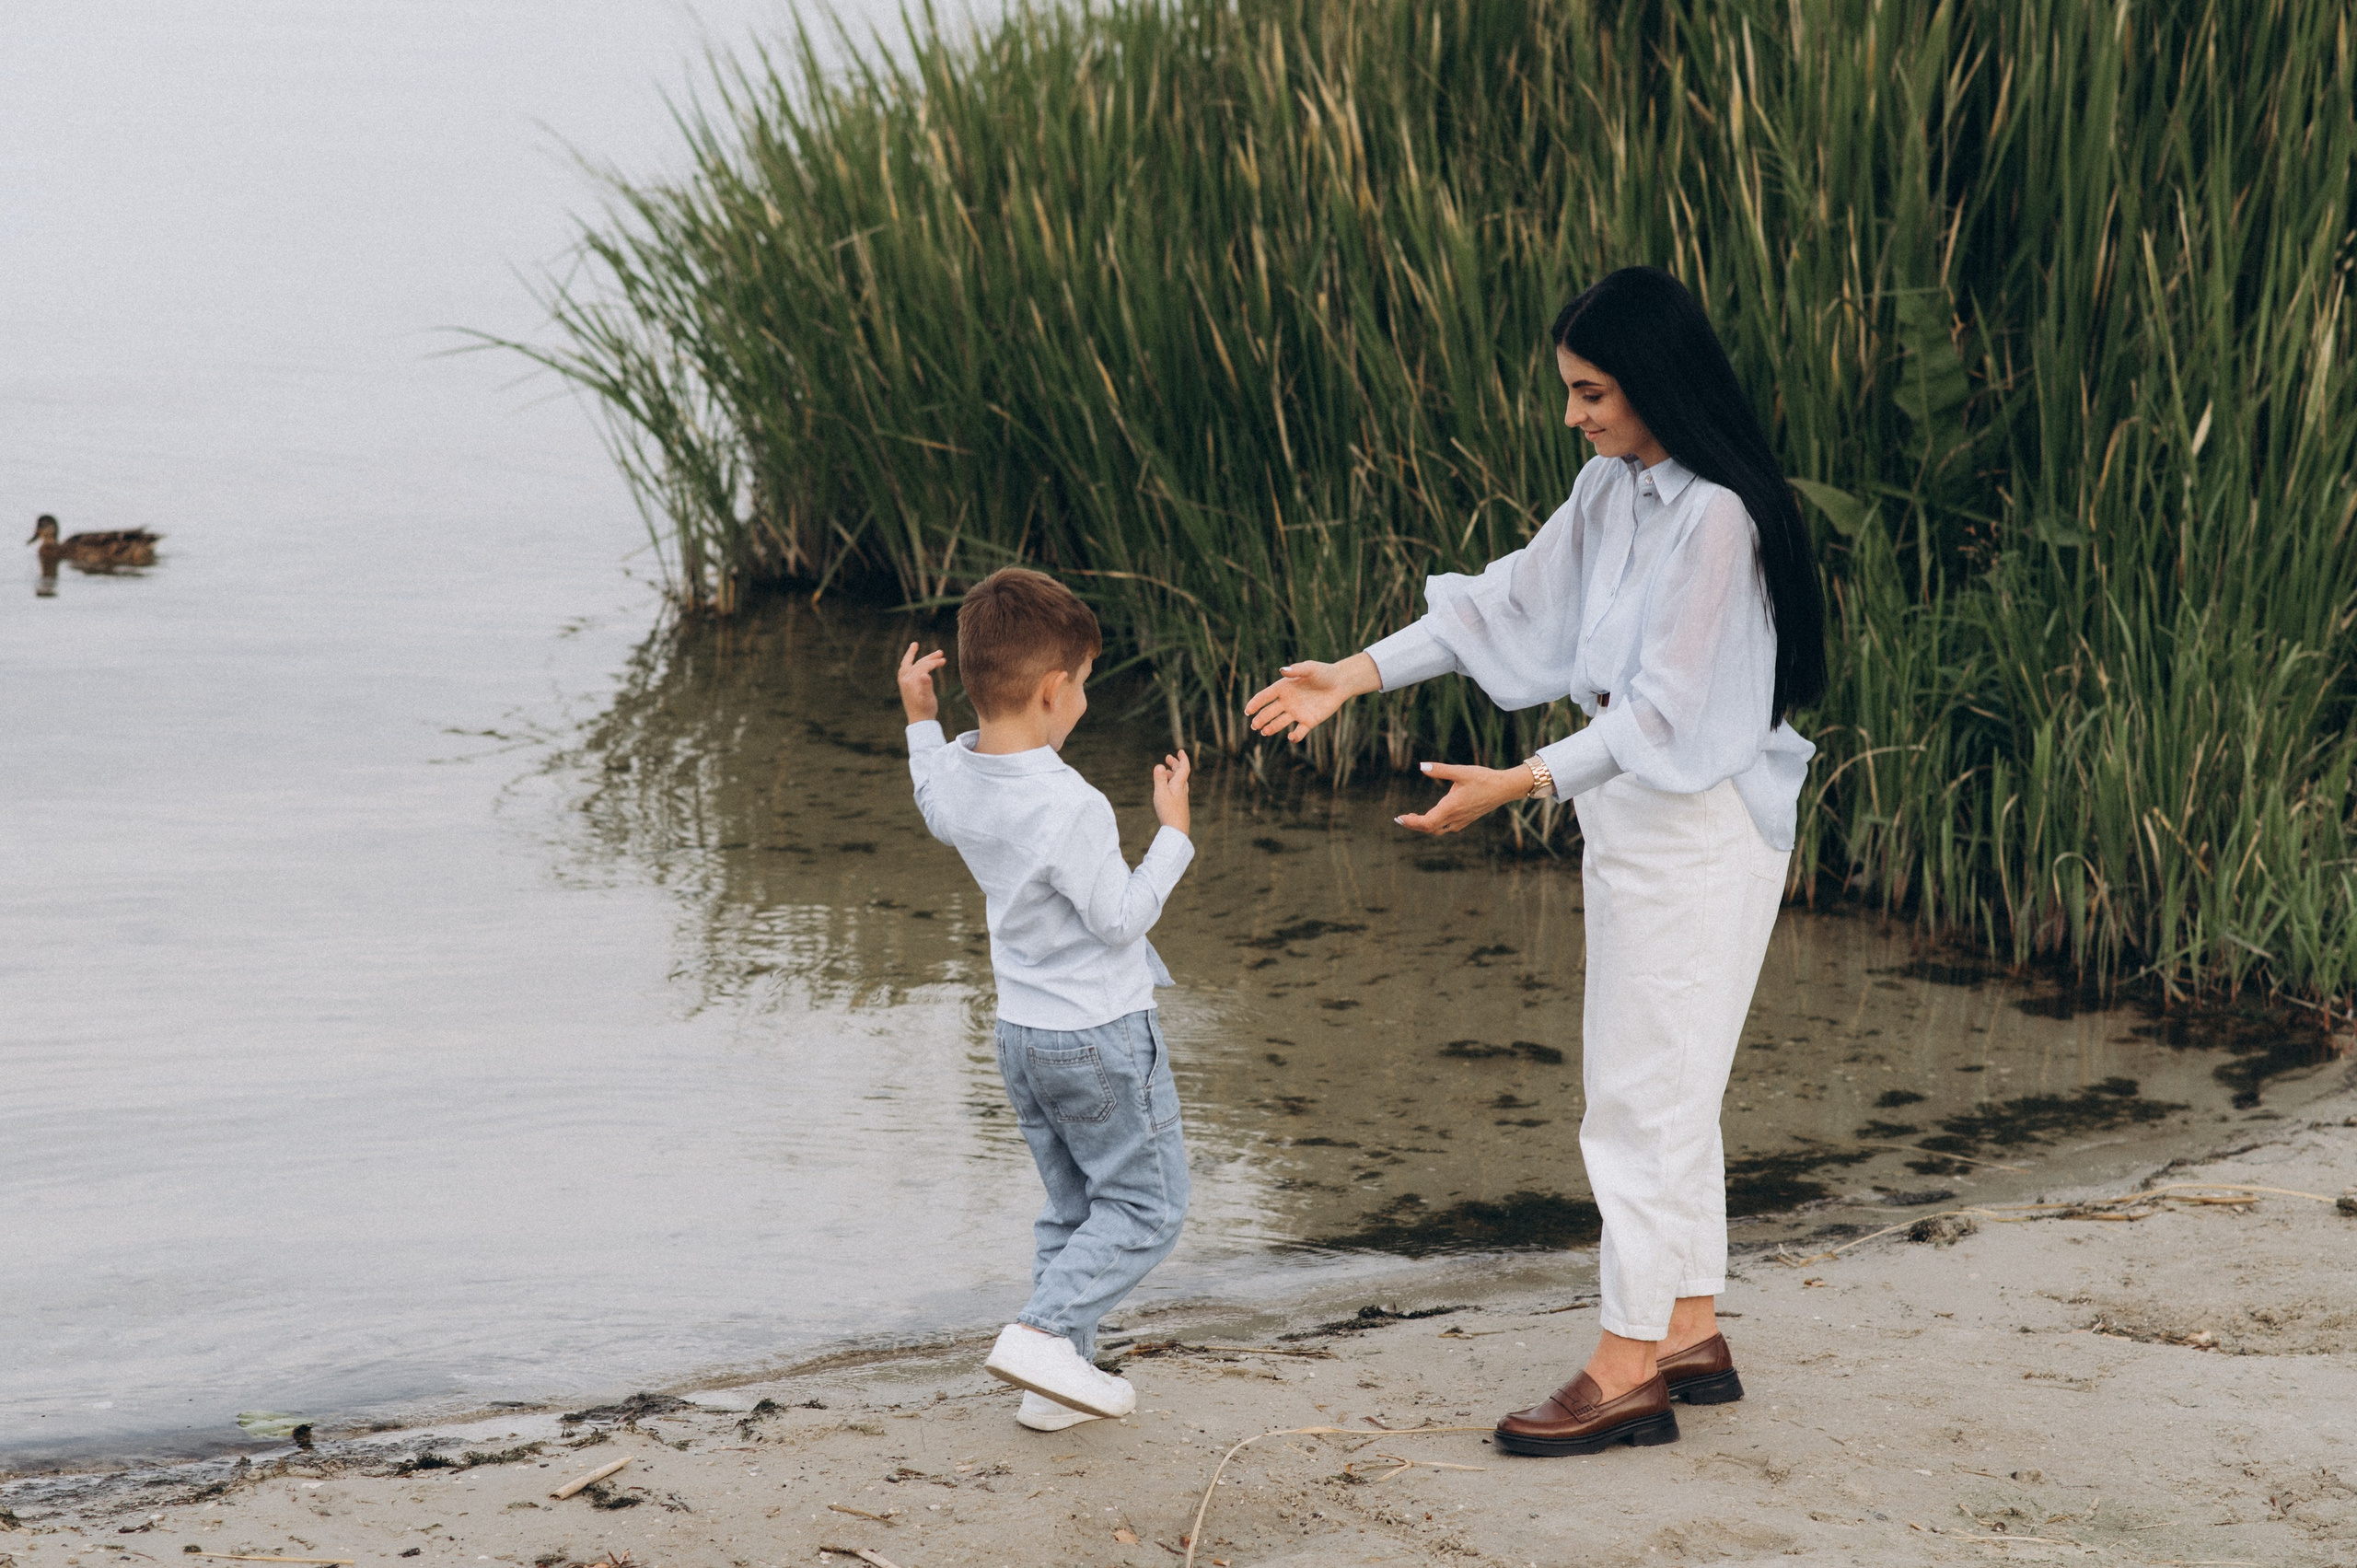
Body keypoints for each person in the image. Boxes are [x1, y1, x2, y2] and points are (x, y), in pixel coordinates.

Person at [1243, 266, 1827, 1458]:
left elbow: (1662, 714)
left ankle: (1623, 1368)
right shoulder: (1613, 490)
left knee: (1636, 1096)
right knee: (1674, 1085)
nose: (1574, 414)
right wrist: (1353, 672)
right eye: (1570, 392)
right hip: (1638, 814)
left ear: (1657, 380)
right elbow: (1506, 601)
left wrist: (1523, 779)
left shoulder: (1718, 514)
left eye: (1592, 392)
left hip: (1696, 821)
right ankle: (1688, 1327)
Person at [897, 566, 1197, 1434]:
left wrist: (921, 719)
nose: (1087, 706)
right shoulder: (1073, 803)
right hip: (1099, 1037)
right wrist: (1172, 834)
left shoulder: (957, 774)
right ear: (1052, 690)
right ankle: (1041, 1333)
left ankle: (1054, 1380)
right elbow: (1119, 919)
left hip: (1022, 1037)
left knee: (1075, 1208)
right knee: (1146, 1208)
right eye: (1086, 689)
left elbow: (930, 803)